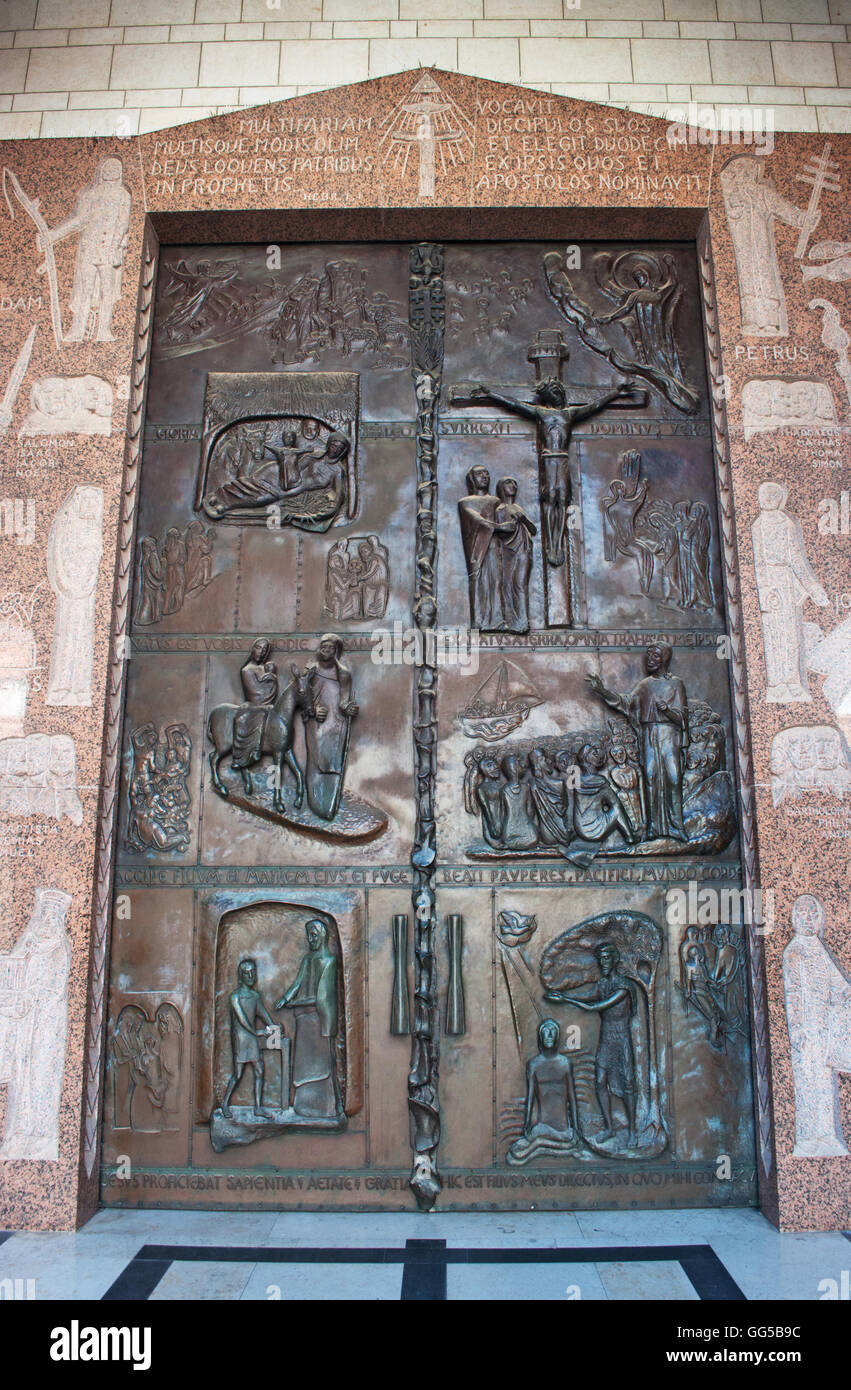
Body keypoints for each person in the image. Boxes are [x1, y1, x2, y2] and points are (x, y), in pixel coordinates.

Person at [587, 644, 689, 841]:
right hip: (649, 733)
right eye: (648, 655)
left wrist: (667, 710)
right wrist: (603, 691)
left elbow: (683, 717)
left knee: (673, 777)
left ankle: (676, 826)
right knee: (650, 777)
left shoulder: (676, 684)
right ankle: (653, 828)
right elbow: (626, 702)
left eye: (655, 655)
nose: (649, 659)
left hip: (669, 734)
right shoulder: (645, 685)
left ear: (664, 659)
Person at [545, 942, 638, 1149]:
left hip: (621, 1037)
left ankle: (632, 1131)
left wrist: (569, 1001)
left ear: (615, 959)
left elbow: (595, 1005)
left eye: (606, 958)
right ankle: (609, 1128)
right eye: (600, 959)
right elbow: (586, 995)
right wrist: (563, 996)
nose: (602, 963)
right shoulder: (602, 985)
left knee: (628, 1083)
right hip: (606, 1037)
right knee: (599, 1080)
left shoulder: (623, 987)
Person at [39, 157, 131, 343]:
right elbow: (78, 220)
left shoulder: (123, 195)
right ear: (101, 169)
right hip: (89, 246)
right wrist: (53, 236)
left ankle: (104, 330)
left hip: (109, 250)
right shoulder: (91, 194)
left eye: (116, 167)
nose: (111, 170)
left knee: (108, 291)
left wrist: (115, 247)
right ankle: (77, 329)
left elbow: (123, 223)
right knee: (85, 289)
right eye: (108, 166)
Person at [275, 920, 341, 1120]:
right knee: (304, 1063)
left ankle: (325, 1107)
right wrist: (285, 998)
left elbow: (323, 997)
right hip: (304, 1020)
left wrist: (295, 1004)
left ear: (322, 935)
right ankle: (304, 1105)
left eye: (314, 935)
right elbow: (298, 983)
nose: (310, 939)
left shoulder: (329, 960)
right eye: (308, 935)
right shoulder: (307, 959)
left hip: (318, 1019)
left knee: (322, 1063)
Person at [507, 1018, 580, 1164]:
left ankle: (547, 1146)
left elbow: (572, 1099)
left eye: (553, 1032)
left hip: (563, 1129)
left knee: (531, 1147)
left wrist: (576, 1129)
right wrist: (526, 1124)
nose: (549, 1035)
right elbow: (530, 1098)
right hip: (541, 1126)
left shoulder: (565, 1064)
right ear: (540, 1037)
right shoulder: (534, 1065)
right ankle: (544, 1146)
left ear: (557, 1037)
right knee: (519, 1151)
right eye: (545, 1032)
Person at [302, 634, 358, 820]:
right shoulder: (311, 670)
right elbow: (300, 694)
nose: (325, 650)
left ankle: (329, 805)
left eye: (330, 648)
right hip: (316, 720)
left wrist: (348, 708)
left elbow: (344, 700)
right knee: (315, 759)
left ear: (336, 651)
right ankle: (315, 801)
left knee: (333, 763)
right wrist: (312, 710)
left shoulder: (343, 673)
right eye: (323, 647)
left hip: (336, 724)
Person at [221, 958, 276, 1119]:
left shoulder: (254, 996)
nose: (251, 976)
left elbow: (263, 1013)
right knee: (238, 1074)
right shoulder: (235, 997)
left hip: (251, 1037)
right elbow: (243, 1020)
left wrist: (273, 1025)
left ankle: (258, 1107)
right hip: (241, 1038)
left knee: (259, 1070)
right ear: (241, 976)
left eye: (253, 972)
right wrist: (257, 1032)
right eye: (247, 973)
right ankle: (225, 1103)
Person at [494, 476, 536, 632]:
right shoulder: (501, 509)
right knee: (507, 584)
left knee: (519, 584)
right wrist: (506, 526)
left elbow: (533, 530)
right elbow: (501, 530)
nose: (513, 486)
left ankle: (522, 622)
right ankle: (511, 620)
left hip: (523, 550)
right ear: (501, 488)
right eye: (508, 483)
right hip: (508, 551)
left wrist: (524, 519)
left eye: (515, 483)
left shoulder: (518, 508)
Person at [232, 639, 278, 774]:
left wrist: (271, 679)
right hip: (254, 706)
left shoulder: (265, 669)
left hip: (266, 704)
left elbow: (270, 688)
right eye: (259, 648)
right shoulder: (247, 670)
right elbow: (255, 692)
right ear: (253, 648)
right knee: (263, 714)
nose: (261, 653)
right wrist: (270, 681)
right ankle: (253, 750)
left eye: (265, 651)